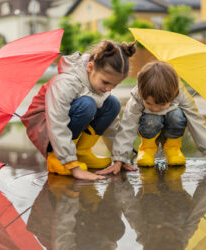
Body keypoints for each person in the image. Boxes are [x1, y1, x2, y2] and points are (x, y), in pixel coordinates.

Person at [21, 40, 136, 180]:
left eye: (115, 85)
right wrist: (72, 166)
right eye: (106, 82)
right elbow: (57, 122)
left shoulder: (97, 82)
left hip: (65, 126)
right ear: (90, 67)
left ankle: (81, 152)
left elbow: (112, 126)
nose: (109, 88)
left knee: (113, 104)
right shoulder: (66, 82)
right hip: (46, 128)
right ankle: (58, 158)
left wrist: (120, 158)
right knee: (87, 105)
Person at [97, 61, 206, 175]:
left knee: (177, 114)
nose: (155, 108)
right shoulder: (138, 95)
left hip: (172, 131)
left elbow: (196, 122)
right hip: (148, 129)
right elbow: (128, 126)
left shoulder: (180, 94)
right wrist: (119, 159)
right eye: (149, 103)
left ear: (173, 94)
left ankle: (172, 148)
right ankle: (147, 149)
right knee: (152, 117)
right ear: (141, 91)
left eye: (162, 104)